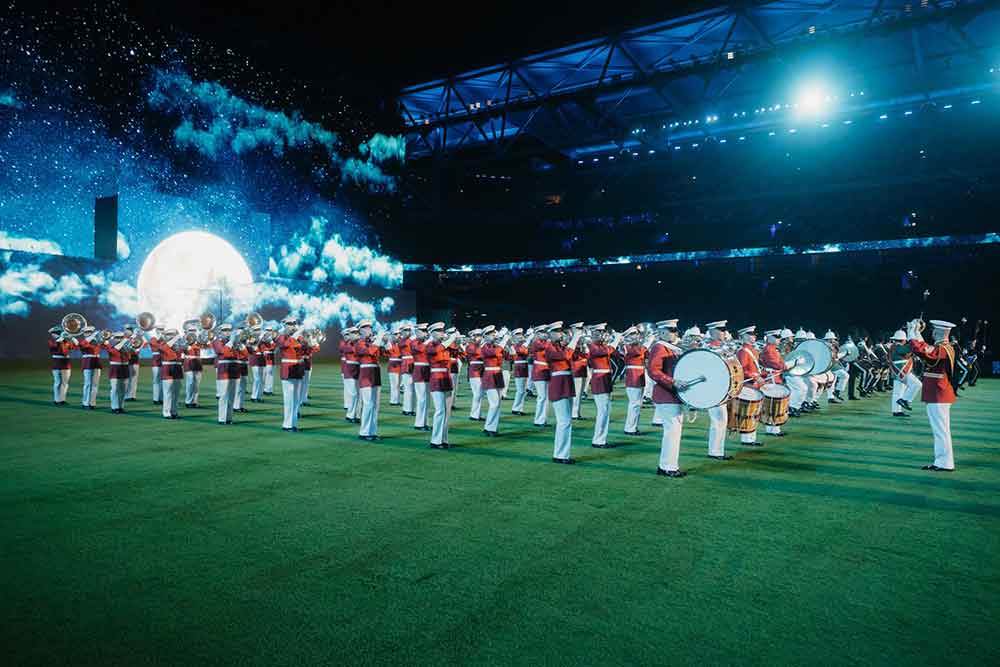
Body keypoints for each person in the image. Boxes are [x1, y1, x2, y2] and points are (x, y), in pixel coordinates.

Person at [908, 318, 958, 471]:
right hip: (938, 392)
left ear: (940, 332)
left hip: (939, 393)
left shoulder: (943, 348)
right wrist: (917, 333)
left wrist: (911, 335)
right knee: (940, 429)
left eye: (935, 330)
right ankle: (941, 461)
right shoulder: (942, 347)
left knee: (940, 430)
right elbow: (927, 348)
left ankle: (945, 463)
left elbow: (924, 352)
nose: (933, 332)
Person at [647, 319, 687, 477]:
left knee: (674, 431)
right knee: (672, 431)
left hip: (672, 394)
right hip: (666, 393)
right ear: (662, 332)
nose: (675, 333)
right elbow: (653, 371)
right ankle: (667, 467)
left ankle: (668, 465)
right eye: (672, 330)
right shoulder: (659, 347)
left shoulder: (671, 348)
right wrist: (673, 381)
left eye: (675, 330)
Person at [545, 322, 582, 464]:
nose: (561, 334)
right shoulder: (549, 347)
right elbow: (565, 356)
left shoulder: (560, 346)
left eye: (561, 331)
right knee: (564, 421)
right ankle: (560, 454)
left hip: (566, 383)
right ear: (551, 334)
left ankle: (562, 454)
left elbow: (576, 357)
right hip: (558, 384)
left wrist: (577, 343)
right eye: (558, 332)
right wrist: (574, 338)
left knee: (566, 421)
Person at [586, 323, 619, 448]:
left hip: (605, 379)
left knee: (605, 411)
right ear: (593, 334)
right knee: (603, 411)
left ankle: (601, 439)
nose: (602, 335)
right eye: (598, 333)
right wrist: (616, 339)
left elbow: (615, 354)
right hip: (599, 380)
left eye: (602, 332)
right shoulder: (592, 346)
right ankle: (599, 440)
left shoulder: (601, 345)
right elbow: (607, 351)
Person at [425, 322, 457, 448]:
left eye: (442, 331)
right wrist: (450, 339)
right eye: (438, 331)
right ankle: (435, 440)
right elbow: (439, 349)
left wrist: (454, 339)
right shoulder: (429, 346)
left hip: (446, 378)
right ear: (432, 333)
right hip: (436, 378)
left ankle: (444, 439)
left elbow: (456, 351)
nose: (441, 333)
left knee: (446, 411)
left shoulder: (446, 346)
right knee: (439, 410)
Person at [704, 320, 732, 460]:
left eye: (723, 330)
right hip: (712, 388)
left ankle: (718, 450)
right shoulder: (707, 347)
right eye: (720, 330)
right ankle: (715, 451)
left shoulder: (723, 347)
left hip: (722, 387)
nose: (723, 333)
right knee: (718, 419)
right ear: (713, 332)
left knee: (722, 420)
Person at [353, 320, 385, 441]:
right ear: (361, 331)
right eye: (367, 329)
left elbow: (388, 352)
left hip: (376, 373)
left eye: (370, 328)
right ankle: (364, 432)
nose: (370, 331)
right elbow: (370, 351)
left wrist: (386, 342)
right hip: (366, 374)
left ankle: (373, 431)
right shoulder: (358, 343)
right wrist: (379, 338)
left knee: (375, 405)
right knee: (368, 404)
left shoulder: (371, 342)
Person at [275, 318, 306, 432]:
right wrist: (295, 336)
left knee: (296, 399)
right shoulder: (281, 336)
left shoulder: (298, 337)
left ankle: (293, 424)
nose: (292, 326)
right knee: (289, 399)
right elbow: (284, 345)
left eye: (293, 324)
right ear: (284, 326)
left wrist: (309, 341)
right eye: (289, 324)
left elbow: (306, 349)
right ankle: (287, 424)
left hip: (298, 369)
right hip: (287, 369)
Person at [734, 325, 764, 446]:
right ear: (743, 336)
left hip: (755, 384)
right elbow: (741, 370)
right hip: (748, 385)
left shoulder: (753, 350)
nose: (754, 336)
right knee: (748, 413)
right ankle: (747, 439)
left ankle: (751, 438)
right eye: (750, 334)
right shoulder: (742, 351)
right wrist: (755, 376)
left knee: (755, 413)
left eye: (754, 334)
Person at [479, 325, 507, 437]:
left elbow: (510, 356)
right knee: (494, 402)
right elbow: (494, 353)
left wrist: (508, 345)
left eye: (494, 333)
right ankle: (488, 427)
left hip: (498, 374)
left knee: (498, 403)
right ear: (485, 336)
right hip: (489, 375)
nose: (493, 336)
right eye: (491, 334)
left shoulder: (496, 346)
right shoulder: (484, 347)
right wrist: (503, 341)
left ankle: (492, 427)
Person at [759, 329, 788, 437]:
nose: (779, 339)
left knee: (773, 405)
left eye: (779, 337)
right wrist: (789, 365)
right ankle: (772, 429)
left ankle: (773, 429)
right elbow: (777, 365)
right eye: (776, 337)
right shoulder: (769, 350)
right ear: (769, 338)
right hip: (771, 379)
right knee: (773, 405)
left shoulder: (772, 349)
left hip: (774, 378)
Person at [150, 328, 184, 419]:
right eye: (169, 334)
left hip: (177, 368)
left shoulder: (179, 344)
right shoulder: (162, 344)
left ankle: (174, 411)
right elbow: (164, 348)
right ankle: (166, 412)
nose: (171, 336)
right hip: (167, 368)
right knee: (168, 392)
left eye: (173, 334)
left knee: (176, 392)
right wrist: (175, 338)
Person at [212, 323, 241, 425]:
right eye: (225, 330)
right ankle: (222, 418)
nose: (227, 332)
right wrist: (232, 341)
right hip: (224, 370)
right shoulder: (216, 342)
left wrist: (241, 345)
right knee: (224, 395)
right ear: (220, 332)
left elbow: (245, 355)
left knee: (232, 396)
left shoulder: (234, 342)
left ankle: (229, 418)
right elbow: (222, 352)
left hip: (235, 370)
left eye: (229, 330)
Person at [889, 329, 921, 417]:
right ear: (903, 340)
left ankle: (896, 411)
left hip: (897, 373)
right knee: (917, 384)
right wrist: (914, 335)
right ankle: (906, 400)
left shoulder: (894, 346)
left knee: (897, 392)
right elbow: (911, 348)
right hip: (902, 372)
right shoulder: (898, 347)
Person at [621, 326, 646, 436]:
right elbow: (637, 352)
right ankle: (630, 428)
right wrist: (647, 343)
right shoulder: (626, 346)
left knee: (637, 404)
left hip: (639, 377)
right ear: (628, 336)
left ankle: (633, 427)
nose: (636, 336)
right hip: (633, 378)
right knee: (634, 404)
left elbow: (648, 355)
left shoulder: (638, 346)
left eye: (636, 334)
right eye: (633, 334)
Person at [103, 331, 131, 414]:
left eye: (121, 338)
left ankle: (121, 406)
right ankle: (114, 407)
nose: (119, 339)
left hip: (125, 367)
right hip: (115, 367)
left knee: (124, 388)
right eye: (117, 338)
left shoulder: (126, 345)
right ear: (114, 338)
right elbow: (113, 352)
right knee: (115, 388)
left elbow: (131, 355)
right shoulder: (109, 344)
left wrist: (130, 347)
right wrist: (123, 342)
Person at [529, 325, 551, 427]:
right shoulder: (536, 343)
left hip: (546, 371)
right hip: (539, 371)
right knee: (542, 397)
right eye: (543, 332)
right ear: (537, 333)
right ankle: (538, 420)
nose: (545, 334)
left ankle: (543, 419)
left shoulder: (545, 343)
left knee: (546, 397)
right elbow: (546, 347)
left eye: (546, 332)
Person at [411, 323, 431, 431]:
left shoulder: (427, 342)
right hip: (419, 370)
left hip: (428, 370)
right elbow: (420, 349)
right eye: (423, 331)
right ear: (417, 332)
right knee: (421, 398)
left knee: (426, 399)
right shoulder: (413, 342)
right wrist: (429, 340)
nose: (425, 333)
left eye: (425, 331)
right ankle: (419, 423)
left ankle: (425, 422)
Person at [339, 326, 360, 423]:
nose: (356, 335)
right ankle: (350, 415)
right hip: (349, 371)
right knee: (353, 394)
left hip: (358, 370)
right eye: (353, 333)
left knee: (357, 394)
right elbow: (355, 350)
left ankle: (356, 414)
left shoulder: (359, 343)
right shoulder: (346, 345)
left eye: (357, 333)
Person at [78, 326, 102, 410]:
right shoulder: (84, 341)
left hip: (96, 362)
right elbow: (81, 345)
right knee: (88, 383)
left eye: (90, 332)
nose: (88, 334)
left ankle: (92, 403)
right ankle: (85, 403)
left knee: (95, 384)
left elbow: (105, 345)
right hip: (88, 362)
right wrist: (92, 337)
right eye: (86, 332)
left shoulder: (96, 341)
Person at [48, 326, 73, 405]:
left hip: (66, 364)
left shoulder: (66, 341)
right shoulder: (51, 341)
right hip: (56, 363)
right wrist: (61, 339)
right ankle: (56, 400)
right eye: (53, 334)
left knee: (65, 383)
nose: (53, 335)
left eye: (54, 334)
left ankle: (62, 399)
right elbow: (54, 346)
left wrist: (71, 338)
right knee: (57, 382)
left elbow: (73, 347)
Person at [465, 328, 485, 421]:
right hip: (474, 371)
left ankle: (478, 414)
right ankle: (474, 414)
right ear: (473, 337)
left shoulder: (480, 345)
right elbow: (479, 354)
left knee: (480, 394)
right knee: (477, 394)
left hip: (481, 370)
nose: (479, 338)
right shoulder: (470, 346)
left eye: (480, 335)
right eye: (477, 336)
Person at [570, 322, 588, 420]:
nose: (580, 330)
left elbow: (587, 356)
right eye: (578, 328)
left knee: (580, 393)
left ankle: (577, 412)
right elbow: (572, 356)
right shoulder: (571, 340)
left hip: (583, 368)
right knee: (576, 393)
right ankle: (574, 413)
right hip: (576, 369)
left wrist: (585, 346)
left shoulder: (581, 341)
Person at [509, 328, 529, 416]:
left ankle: (520, 408)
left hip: (524, 367)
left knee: (523, 391)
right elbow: (522, 351)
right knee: (520, 390)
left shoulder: (523, 345)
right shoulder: (515, 346)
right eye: (518, 334)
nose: (520, 336)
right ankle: (515, 408)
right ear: (514, 337)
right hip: (519, 367)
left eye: (521, 334)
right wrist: (527, 341)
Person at [182, 327, 203, 408]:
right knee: (190, 383)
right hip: (189, 363)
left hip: (198, 363)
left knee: (197, 384)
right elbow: (183, 348)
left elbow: (207, 344)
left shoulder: (199, 341)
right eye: (191, 331)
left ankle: (194, 401)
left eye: (194, 331)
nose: (192, 333)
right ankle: (188, 401)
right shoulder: (185, 340)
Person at [399, 324, 415, 416]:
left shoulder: (410, 340)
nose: (408, 332)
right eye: (405, 331)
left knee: (412, 389)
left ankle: (410, 408)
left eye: (409, 330)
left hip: (412, 363)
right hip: (407, 364)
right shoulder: (402, 341)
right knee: (408, 388)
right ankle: (407, 409)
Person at [123, 324, 141, 402]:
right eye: (127, 329)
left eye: (130, 329)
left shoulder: (136, 338)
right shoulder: (122, 339)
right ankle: (125, 395)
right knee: (125, 379)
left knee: (134, 379)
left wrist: (140, 335)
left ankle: (132, 395)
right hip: (125, 361)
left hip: (135, 360)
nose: (129, 331)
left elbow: (143, 345)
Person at [386, 328, 403, 406]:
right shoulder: (389, 344)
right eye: (395, 334)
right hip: (393, 367)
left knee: (398, 385)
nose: (398, 336)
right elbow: (390, 352)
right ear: (392, 336)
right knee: (394, 385)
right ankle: (393, 401)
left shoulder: (400, 344)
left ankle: (397, 400)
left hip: (400, 366)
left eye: (398, 334)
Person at [149, 326, 164, 405]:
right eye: (159, 330)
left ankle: (161, 398)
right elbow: (158, 346)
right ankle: (156, 398)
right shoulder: (153, 339)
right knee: (156, 380)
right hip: (156, 361)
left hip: (163, 361)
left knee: (162, 380)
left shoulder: (164, 339)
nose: (161, 331)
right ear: (156, 331)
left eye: (162, 330)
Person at [262, 326, 277, 396]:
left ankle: (269, 390)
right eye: (268, 330)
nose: (269, 331)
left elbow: (274, 347)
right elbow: (263, 348)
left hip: (272, 359)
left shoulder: (273, 339)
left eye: (270, 330)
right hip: (265, 359)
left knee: (270, 375)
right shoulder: (262, 338)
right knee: (264, 375)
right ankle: (263, 389)